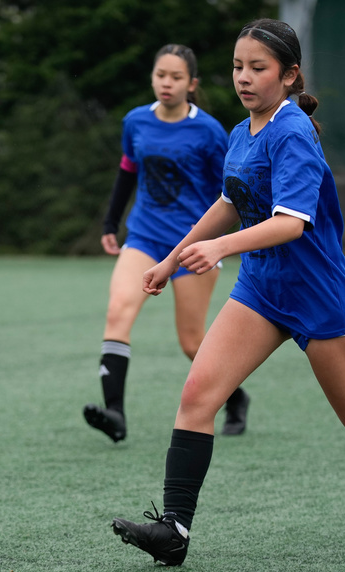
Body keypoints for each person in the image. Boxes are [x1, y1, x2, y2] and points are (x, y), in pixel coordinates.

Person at [111, 19, 345, 566]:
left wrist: (220, 249)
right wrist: (170, 259)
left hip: (317, 296)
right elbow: (228, 202)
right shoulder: (241, 133)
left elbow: (291, 222)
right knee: (197, 396)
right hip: (261, 289)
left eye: (258, 68)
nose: (244, 77)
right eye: (238, 66)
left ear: (288, 76)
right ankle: (176, 532)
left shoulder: (293, 133)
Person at [84, 44, 250, 444]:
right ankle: (116, 415)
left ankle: (236, 397)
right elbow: (127, 173)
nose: (167, 83)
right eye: (161, 75)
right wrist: (111, 221)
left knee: (192, 343)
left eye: (176, 77)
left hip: (195, 243)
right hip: (143, 236)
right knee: (117, 311)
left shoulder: (209, 131)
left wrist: (227, 240)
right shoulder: (135, 122)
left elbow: (228, 193)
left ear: (191, 84)